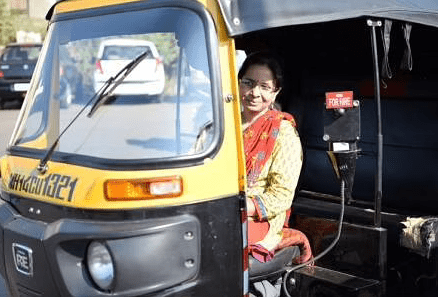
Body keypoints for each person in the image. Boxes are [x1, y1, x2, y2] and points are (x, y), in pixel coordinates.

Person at [239, 52, 312, 296]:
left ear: (275, 93)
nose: (254, 93)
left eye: (264, 87)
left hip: (260, 218)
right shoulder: (225, 125)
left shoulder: (283, 133)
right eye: (248, 83)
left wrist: (241, 206)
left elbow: (281, 196)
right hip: (223, 209)